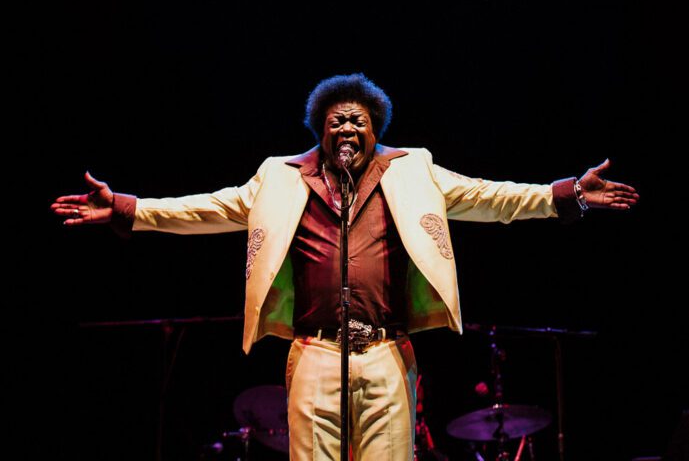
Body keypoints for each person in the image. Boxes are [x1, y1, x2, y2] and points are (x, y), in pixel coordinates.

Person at [51, 73, 639, 461]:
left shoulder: (416, 170)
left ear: (375, 128)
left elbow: (496, 198)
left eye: (358, 120)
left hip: (387, 351)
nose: (348, 128)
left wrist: (569, 195)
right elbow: (205, 208)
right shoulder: (279, 178)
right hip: (312, 351)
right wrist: (128, 208)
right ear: (321, 132)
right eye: (336, 121)